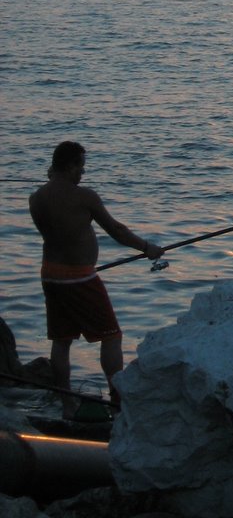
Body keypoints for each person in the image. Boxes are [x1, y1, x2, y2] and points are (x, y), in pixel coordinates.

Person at [29, 141, 163, 416]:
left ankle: (66, 404)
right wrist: (146, 247)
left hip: (51, 276)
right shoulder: (85, 197)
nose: (83, 173)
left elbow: (59, 231)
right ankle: (116, 401)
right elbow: (116, 230)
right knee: (111, 335)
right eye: (80, 166)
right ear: (69, 166)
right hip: (79, 279)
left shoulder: (37, 198)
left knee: (62, 340)